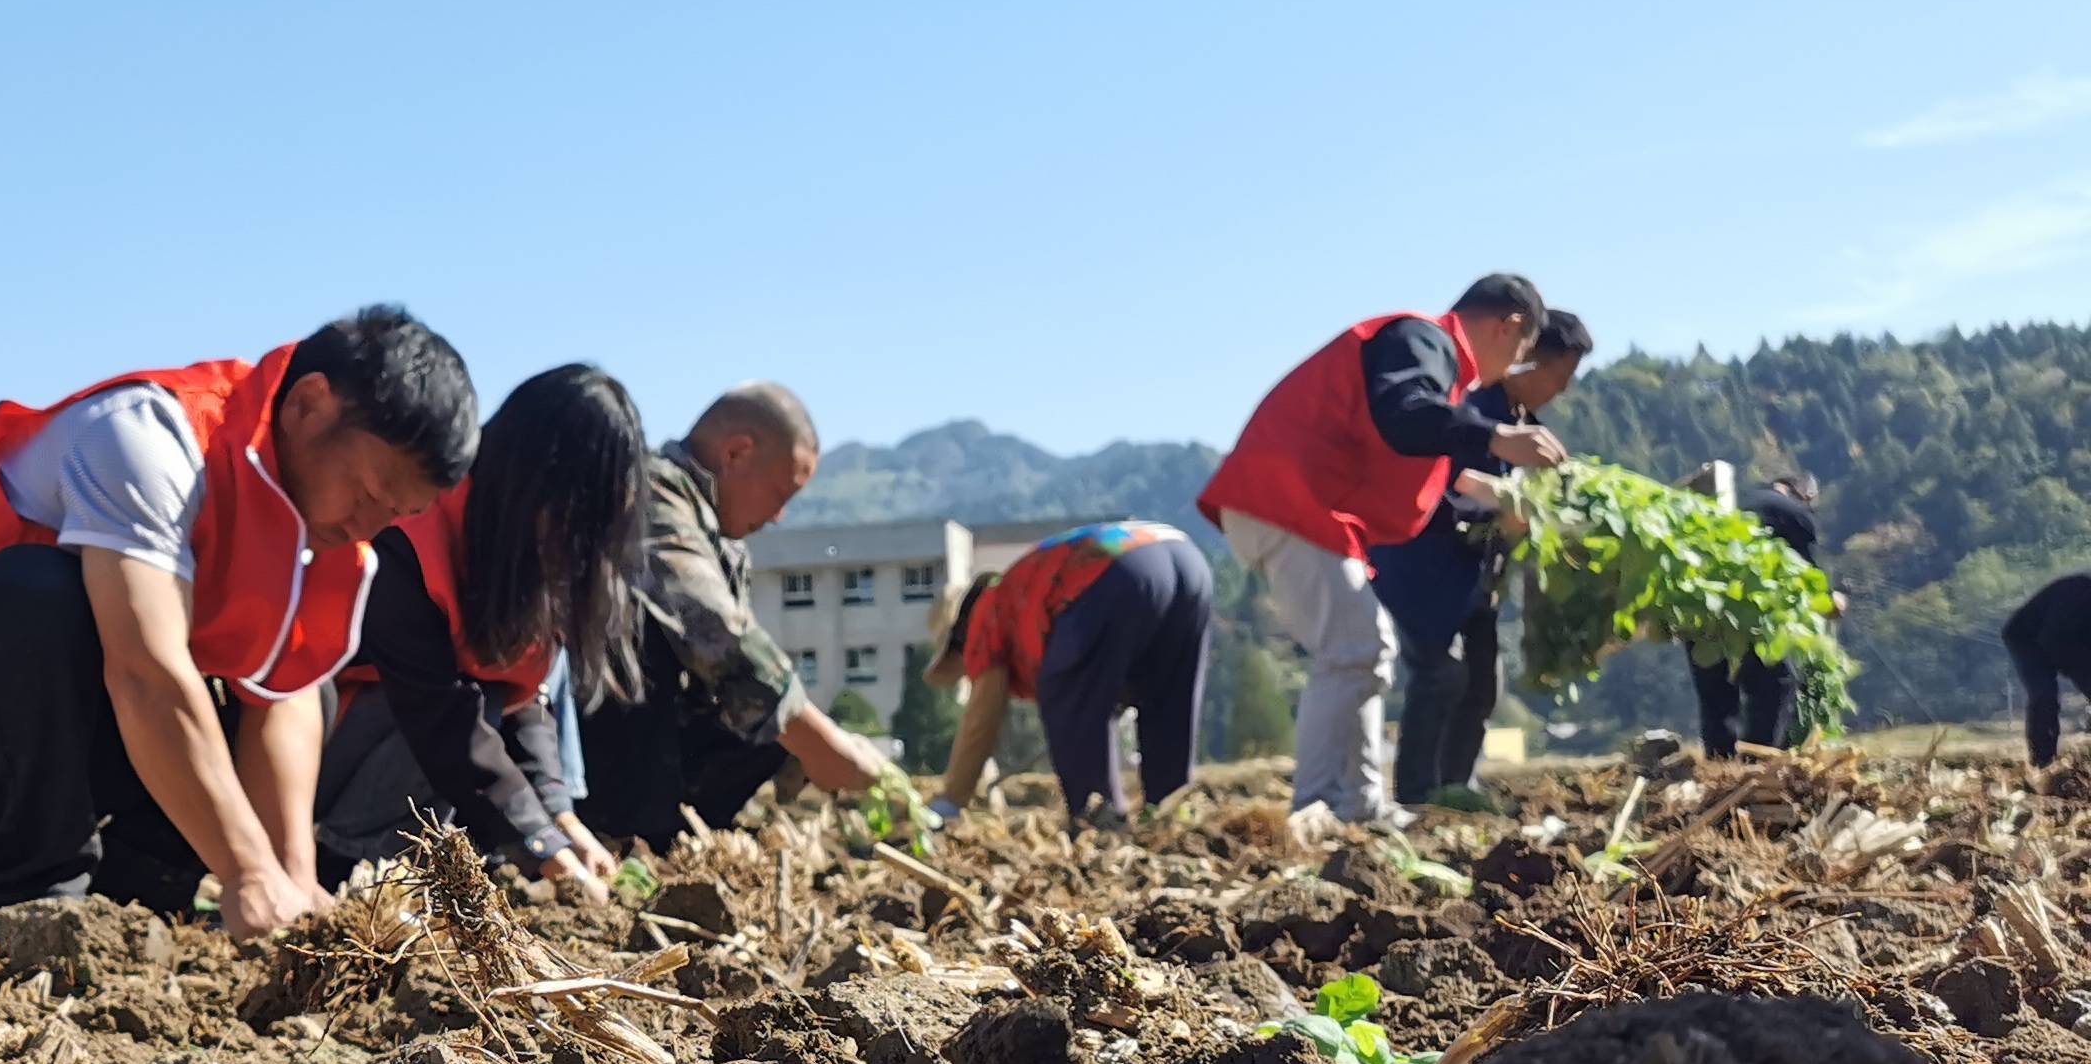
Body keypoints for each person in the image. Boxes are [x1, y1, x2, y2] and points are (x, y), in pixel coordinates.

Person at [0, 309, 474, 936]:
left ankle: (136, 908)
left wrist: (292, 878)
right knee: (38, 595)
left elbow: (286, 701)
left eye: (391, 515)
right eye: (364, 492)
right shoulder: (147, 436)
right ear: (308, 405)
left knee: (303, 683)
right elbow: (145, 675)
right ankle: (35, 903)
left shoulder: (328, 540)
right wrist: (245, 872)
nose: (367, 527)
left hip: (70, 733)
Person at [1198, 275, 1569, 824]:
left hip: (1300, 505)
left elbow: (1426, 463)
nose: (1513, 366)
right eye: (1520, 351)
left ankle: (1359, 805)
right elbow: (1406, 415)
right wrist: (1494, 436)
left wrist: (1500, 495)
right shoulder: (1421, 341)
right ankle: (1319, 806)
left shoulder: (1433, 365)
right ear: (1508, 326)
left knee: (1366, 650)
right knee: (1354, 650)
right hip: (1287, 498)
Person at [312, 363, 644, 893]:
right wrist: (539, 846)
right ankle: (345, 868)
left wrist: (560, 819)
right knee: (473, 710)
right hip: (334, 752)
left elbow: (524, 698)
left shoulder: (532, 559)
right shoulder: (414, 528)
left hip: (421, 750)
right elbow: (440, 716)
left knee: (487, 708)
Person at [573, 383, 895, 849]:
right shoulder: (649, 495)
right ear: (737, 452)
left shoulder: (722, 540)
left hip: (663, 746)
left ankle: (675, 836)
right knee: (699, 659)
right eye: (781, 492)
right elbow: (715, 632)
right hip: (600, 736)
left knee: (768, 720)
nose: (780, 516)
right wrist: (822, 744)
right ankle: (631, 835)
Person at [1369, 306, 1592, 807]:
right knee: (1439, 674)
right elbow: (1447, 477)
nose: (1562, 389)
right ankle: (1418, 796)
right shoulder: (1471, 408)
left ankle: (1456, 785)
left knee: (1483, 681)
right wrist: (1506, 500)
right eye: (1560, 375)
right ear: (1529, 360)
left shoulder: (1526, 425)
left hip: (1477, 573)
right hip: (1427, 563)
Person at [922, 522, 1212, 826]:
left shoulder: (986, 614)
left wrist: (952, 799)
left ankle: (1099, 821)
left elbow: (981, 719)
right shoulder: (1023, 590)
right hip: (1186, 559)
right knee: (1167, 697)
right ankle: (1173, 815)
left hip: (1116, 572)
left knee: (1064, 690)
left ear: (959, 637)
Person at [1690, 472, 1835, 757]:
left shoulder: (1736, 500)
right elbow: (1809, 579)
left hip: (1698, 605)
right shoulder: (1793, 513)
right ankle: (1757, 763)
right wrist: (1831, 602)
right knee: (1776, 683)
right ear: (1804, 493)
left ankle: (1719, 768)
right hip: (1748, 613)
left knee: (1717, 694)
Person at [2002, 571, 2091, 767]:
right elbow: (2054, 641)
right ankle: (2042, 762)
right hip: (2026, 638)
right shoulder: (2078, 595)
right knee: (2044, 696)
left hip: (2059, 640)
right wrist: (2083, 677)